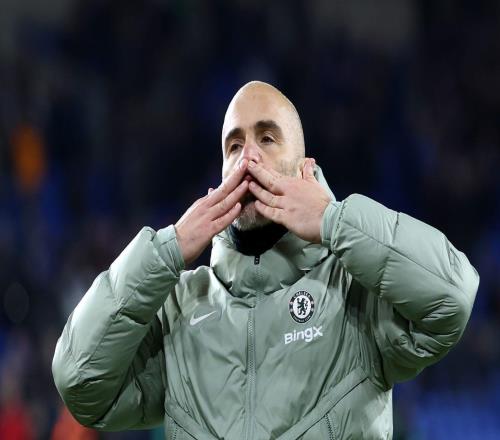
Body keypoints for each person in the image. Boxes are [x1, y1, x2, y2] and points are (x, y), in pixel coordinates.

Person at [52, 81, 479, 439]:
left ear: (304, 168)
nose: (248, 158)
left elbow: (451, 295)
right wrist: (167, 249)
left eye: (267, 139)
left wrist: (333, 220)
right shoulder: (180, 309)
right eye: (234, 146)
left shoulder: (355, 288)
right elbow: (80, 381)